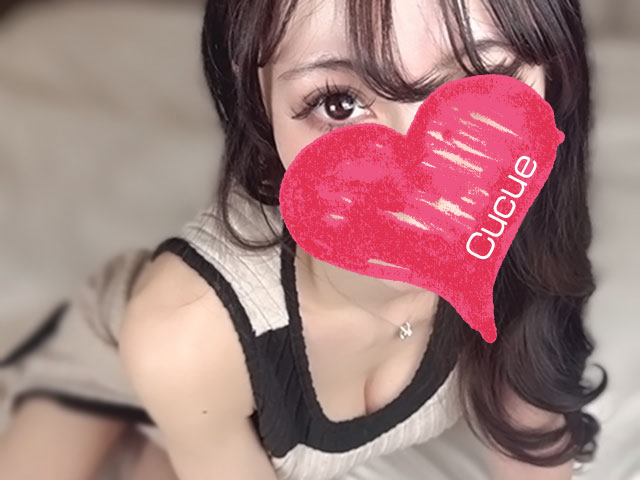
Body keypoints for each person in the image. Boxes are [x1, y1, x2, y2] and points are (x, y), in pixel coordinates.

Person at [0, 0, 608, 478]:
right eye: (338, 103)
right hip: (122, 353)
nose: (422, 178)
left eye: (479, 78)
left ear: (553, 76)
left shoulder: (526, 230)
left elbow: (535, 439)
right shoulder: (187, 332)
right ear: (260, 111)